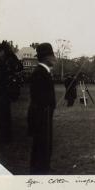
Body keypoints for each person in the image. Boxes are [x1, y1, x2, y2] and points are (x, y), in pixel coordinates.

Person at [27, 43, 56, 174]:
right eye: (52, 55)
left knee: (43, 149)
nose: (54, 58)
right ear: (46, 58)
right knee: (41, 149)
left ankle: (41, 169)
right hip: (40, 118)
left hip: (44, 116)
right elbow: (40, 100)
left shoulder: (44, 72)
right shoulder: (40, 73)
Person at [0, 40, 12, 146]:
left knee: (3, 116)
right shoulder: (0, 65)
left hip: (2, 95)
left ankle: (5, 137)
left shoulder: (2, 64)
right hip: (1, 94)